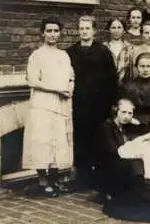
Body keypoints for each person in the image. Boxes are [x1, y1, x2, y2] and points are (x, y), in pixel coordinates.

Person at [23, 17, 74, 197]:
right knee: (42, 141)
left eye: (56, 31)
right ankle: (43, 182)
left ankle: (54, 180)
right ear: (42, 33)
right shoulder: (37, 55)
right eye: (49, 31)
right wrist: (57, 89)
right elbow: (33, 80)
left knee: (57, 142)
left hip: (60, 104)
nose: (53, 34)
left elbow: (71, 77)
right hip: (42, 104)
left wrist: (69, 89)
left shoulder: (63, 55)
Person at [67, 16, 118, 189]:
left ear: (94, 31)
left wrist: (112, 103)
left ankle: (98, 177)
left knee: (98, 139)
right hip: (79, 104)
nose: (84, 31)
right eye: (81, 28)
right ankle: (82, 177)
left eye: (87, 28)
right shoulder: (71, 52)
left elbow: (112, 79)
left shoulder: (103, 52)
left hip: (99, 105)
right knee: (80, 139)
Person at [95, 98, 144, 200]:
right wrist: (134, 154)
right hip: (108, 166)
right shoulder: (106, 127)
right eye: (123, 112)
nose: (126, 116)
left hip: (122, 163)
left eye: (130, 113)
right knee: (133, 163)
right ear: (116, 111)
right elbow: (112, 150)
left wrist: (138, 124)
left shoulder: (126, 127)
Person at [120, 52, 150, 133]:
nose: (145, 69)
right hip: (133, 125)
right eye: (142, 66)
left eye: (149, 66)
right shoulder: (128, 87)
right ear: (136, 67)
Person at [118, 20, 150, 85]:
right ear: (142, 34)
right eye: (146, 33)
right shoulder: (133, 50)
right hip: (137, 88)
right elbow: (128, 76)